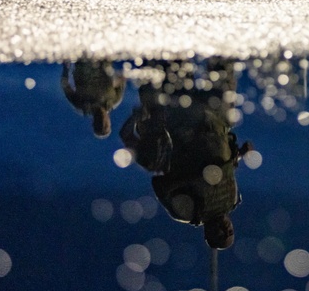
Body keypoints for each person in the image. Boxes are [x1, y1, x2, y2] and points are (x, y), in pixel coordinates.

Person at [119, 59, 252, 250]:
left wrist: (194, 178)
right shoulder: (232, 200)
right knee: (223, 61)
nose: (225, 228)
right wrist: (240, 154)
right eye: (230, 231)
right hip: (218, 121)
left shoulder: (189, 212)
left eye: (220, 234)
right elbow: (227, 168)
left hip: (186, 125)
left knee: (173, 65)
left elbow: (161, 183)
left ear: (208, 234)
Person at [61, 59, 125, 138]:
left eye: (99, 125)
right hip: (103, 58)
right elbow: (122, 77)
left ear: (93, 123)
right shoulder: (115, 100)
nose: (102, 122)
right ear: (109, 122)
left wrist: (65, 67)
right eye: (105, 125)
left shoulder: (81, 105)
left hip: (82, 60)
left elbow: (66, 86)